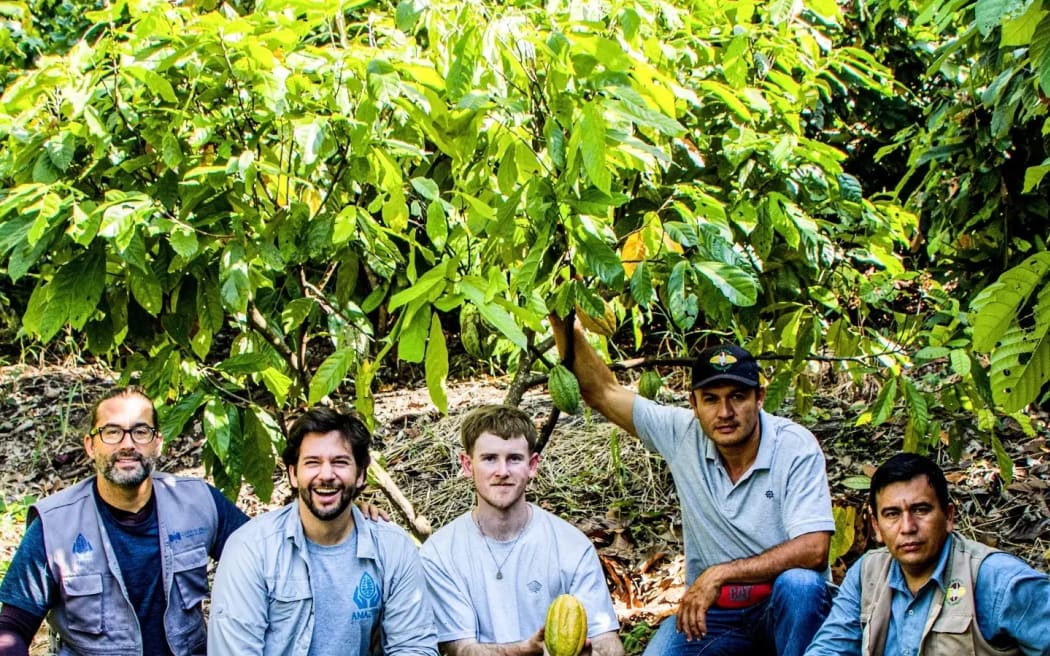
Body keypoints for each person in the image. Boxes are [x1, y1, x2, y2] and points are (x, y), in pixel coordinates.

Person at [550, 315, 835, 656]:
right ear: (694, 404)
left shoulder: (793, 446)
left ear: (760, 397)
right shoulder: (682, 434)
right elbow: (603, 392)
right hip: (714, 616)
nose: (725, 411)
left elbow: (814, 549)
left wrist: (721, 574)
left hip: (781, 608)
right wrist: (560, 313)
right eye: (711, 399)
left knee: (801, 585)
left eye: (737, 397)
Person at [0, 386, 249, 656]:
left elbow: (265, 555)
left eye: (141, 432)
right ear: (90, 446)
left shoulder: (198, 502)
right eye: (112, 432)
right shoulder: (55, 526)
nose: (127, 444)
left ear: (158, 442)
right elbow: (13, 627)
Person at [208, 406, 437, 656]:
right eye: (312, 462)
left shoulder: (392, 547)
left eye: (339, 462)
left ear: (360, 475)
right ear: (293, 474)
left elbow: (414, 646)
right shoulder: (250, 548)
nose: (326, 475)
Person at [420, 404, 624, 656]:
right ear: (467, 464)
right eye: (489, 458)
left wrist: (594, 654)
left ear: (532, 465)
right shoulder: (440, 553)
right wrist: (526, 650)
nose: (502, 472)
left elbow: (606, 638)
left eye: (514, 459)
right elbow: (461, 649)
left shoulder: (571, 546)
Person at [805, 452, 1050, 656]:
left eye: (921, 510)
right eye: (892, 514)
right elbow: (829, 648)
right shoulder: (867, 573)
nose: (908, 527)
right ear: (876, 527)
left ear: (949, 516)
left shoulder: (997, 581)